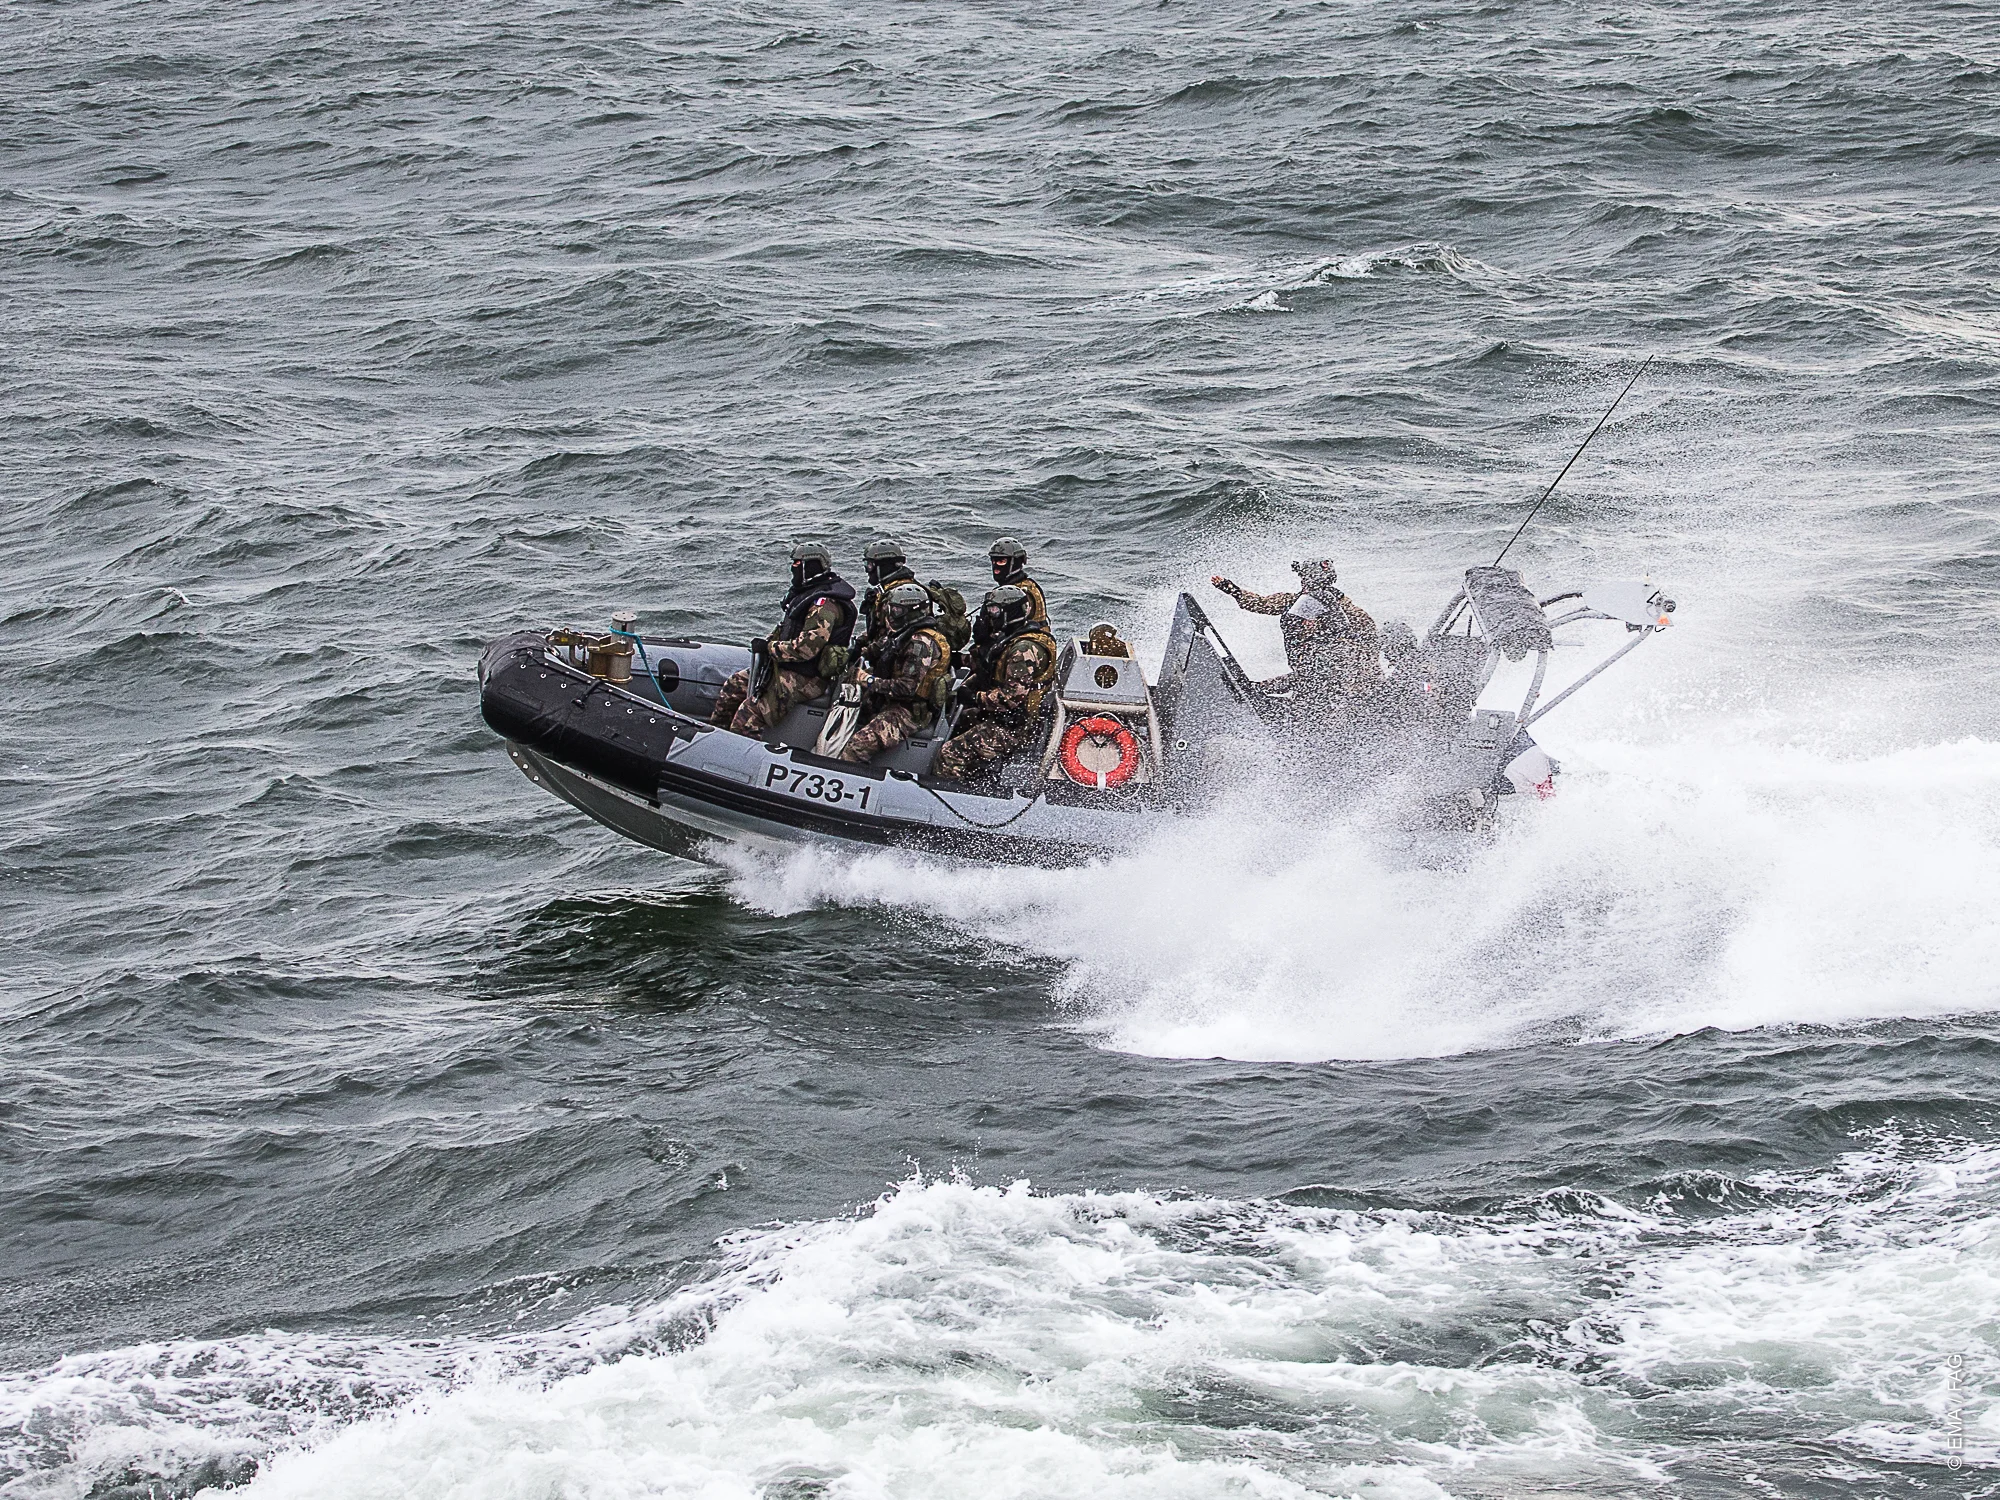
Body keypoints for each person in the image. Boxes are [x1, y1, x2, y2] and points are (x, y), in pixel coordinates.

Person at [709, 542, 856, 737]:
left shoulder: (825, 605)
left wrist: (770, 648)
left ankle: (739, 752)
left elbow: (807, 649)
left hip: (808, 677)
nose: (793, 568)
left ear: (810, 566)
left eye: (797, 563)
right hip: (788, 667)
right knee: (735, 684)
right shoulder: (807, 594)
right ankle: (716, 735)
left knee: (749, 713)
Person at [1209, 559, 1380, 704]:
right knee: (1308, 686)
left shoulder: (1341, 609)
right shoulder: (1296, 601)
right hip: (1316, 674)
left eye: (1307, 579)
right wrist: (1232, 590)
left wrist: (1259, 687)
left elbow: (1367, 636)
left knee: (1313, 684)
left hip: (1344, 682)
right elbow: (1262, 604)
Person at [935, 586, 1058, 782]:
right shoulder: (1011, 638)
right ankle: (974, 776)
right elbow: (995, 667)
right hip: (1005, 718)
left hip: (1017, 727)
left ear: (1010, 612)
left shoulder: (1023, 650)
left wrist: (974, 698)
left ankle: (950, 795)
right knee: (958, 722)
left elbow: (1011, 698)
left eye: (995, 611)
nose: (990, 616)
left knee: (950, 753)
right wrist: (963, 660)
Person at [838, 581, 953, 764]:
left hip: (908, 711)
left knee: (858, 746)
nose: (890, 615)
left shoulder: (920, 644)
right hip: (889, 700)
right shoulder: (901, 634)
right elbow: (878, 649)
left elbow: (906, 688)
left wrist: (867, 680)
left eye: (896, 611)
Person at [857, 538, 917, 650]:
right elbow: (882, 627)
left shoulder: (901, 595)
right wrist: (862, 641)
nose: (867, 570)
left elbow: (898, 635)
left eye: (870, 565)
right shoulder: (887, 591)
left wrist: (867, 651)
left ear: (883, 565)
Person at [988, 537, 1049, 629]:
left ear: (1015, 562)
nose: (995, 566)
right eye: (993, 561)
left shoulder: (1018, 592)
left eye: (1001, 561)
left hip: (1027, 640)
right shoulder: (1026, 585)